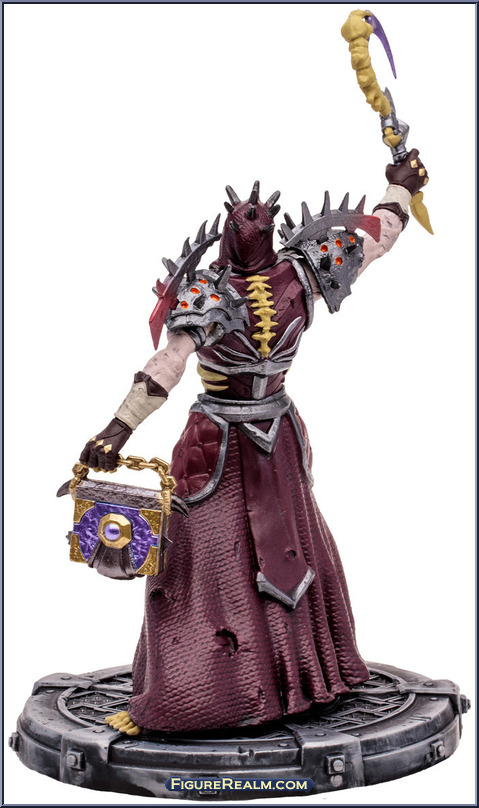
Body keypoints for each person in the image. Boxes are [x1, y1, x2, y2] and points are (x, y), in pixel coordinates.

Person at [80, 153, 428, 735]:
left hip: (266, 439)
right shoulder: (223, 288)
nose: (250, 227)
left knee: (281, 551)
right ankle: (206, 690)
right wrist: (117, 429)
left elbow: (378, 238)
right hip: (224, 443)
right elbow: (166, 365)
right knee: (201, 557)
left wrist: (399, 188)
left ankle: (292, 683)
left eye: (255, 220)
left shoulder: (299, 271)